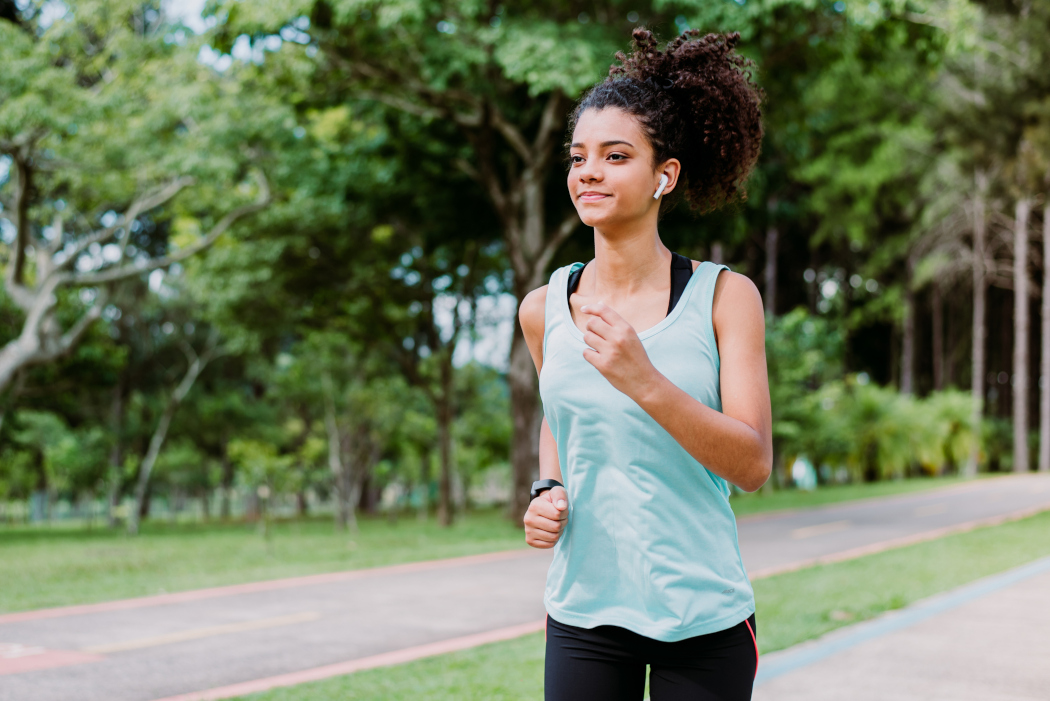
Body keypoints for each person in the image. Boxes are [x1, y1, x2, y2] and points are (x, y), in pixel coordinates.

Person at [518, 28, 772, 701]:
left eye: (615, 155)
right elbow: (560, 415)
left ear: (666, 175)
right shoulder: (544, 307)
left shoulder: (724, 298)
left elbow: (751, 465)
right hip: (584, 613)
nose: (588, 172)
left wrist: (645, 381)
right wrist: (547, 489)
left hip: (704, 614)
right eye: (578, 157)